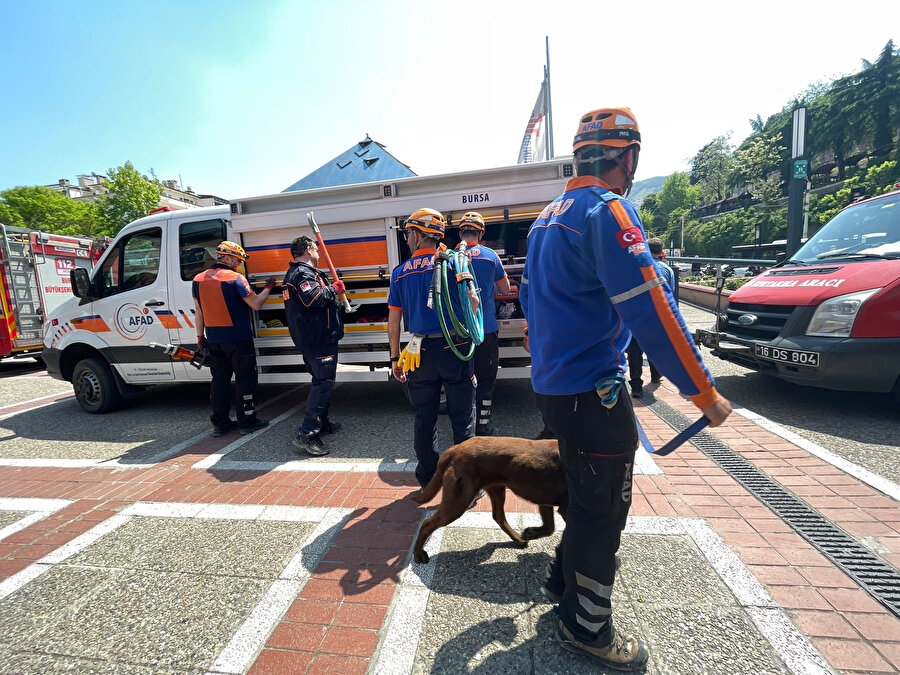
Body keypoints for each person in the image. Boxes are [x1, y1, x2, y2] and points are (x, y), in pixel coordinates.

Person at [520, 107, 732, 670]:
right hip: (593, 392)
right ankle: (586, 624)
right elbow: (652, 308)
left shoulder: (547, 218)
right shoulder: (607, 212)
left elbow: (528, 307)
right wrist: (703, 391)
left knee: (583, 491)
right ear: (628, 157)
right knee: (603, 509)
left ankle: (559, 580)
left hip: (555, 390)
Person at [388, 208, 477, 492]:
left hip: (419, 350)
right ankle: (464, 482)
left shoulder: (400, 273)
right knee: (462, 416)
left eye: (407, 235)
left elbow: (393, 321)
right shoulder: (454, 264)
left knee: (425, 415)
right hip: (456, 345)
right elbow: (473, 302)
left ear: (416, 235)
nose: (407, 240)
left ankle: (428, 477)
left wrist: (394, 357)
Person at [192, 241, 274, 436]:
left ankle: (220, 424)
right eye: (237, 260)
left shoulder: (197, 279)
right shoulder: (236, 278)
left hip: (213, 338)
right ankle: (247, 422)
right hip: (238, 338)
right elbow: (255, 304)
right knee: (245, 379)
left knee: (219, 380)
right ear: (227, 258)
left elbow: (198, 312)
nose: (238, 264)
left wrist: (199, 337)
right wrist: (268, 288)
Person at [282, 235, 346, 456]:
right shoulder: (302, 273)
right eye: (316, 248)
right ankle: (308, 434)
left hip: (319, 338)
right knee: (322, 384)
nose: (319, 252)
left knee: (324, 382)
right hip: (317, 340)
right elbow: (313, 299)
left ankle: (323, 423)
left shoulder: (306, 273)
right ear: (309, 249)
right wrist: (334, 289)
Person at [455, 211, 510, 436]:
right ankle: (483, 427)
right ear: (481, 234)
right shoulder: (490, 256)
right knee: (485, 381)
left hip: (459, 332)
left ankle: (464, 429)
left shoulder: (450, 259)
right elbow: (505, 289)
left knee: (461, 381)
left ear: (460, 232)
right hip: (485, 330)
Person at [626, 237, 678, 398]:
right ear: (661, 251)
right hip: (658, 316)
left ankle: (636, 385)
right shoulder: (667, 270)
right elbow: (672, 295)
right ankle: (656, 375)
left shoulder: (635, 268)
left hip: (638, 315)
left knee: (634, 350)